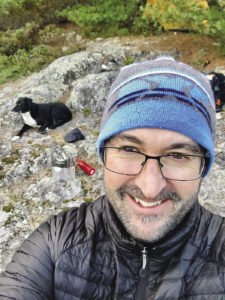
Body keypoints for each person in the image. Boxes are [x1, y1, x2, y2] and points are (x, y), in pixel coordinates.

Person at [0, 56, 224, 299]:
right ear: (103, 155)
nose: (150, 187)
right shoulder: (54, 244)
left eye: (178, 155)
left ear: (204, 165)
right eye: (129, 150)